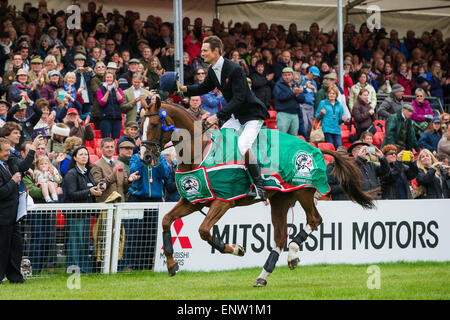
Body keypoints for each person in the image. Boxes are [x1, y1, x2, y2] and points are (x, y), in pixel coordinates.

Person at [178, 35, 270, 202]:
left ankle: (260, 188)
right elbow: (203, 87)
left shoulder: (235, 69)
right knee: (222, 141)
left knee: (242, 145)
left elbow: (239, 98)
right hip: (236, 115)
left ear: (216, 51)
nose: (202, 53)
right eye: (201, 50)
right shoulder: (213, 70)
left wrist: (217, 116)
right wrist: (183, 88)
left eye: (205, 50)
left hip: (251, 115)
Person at [64, 146, 103, 274]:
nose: (84, 156)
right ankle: (73, 269)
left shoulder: (88, 172)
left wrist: (96, 190)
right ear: (75, 157)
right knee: (75, 243)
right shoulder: (71, 174)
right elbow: (71, 193)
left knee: (84, 243)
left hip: (86, 213)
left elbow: (89, 189)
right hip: (75, 214)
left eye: (86, 154)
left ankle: (85, 269)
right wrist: (89, 192)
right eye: (81, 154)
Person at [0, 137, 25, 284]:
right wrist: (13, 182)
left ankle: (15, 276)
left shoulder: (5, 166)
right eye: (6, 151)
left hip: (13, 215)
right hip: (3, 216)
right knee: (2, 249)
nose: (9, 153)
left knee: (15, 247)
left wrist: (17, 192)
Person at [90, 138, 140, 203]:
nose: (110, 149)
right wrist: (113, 175)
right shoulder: (96, 165)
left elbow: (124, 187)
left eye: (112, 147)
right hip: (106, 204)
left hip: (120, 203)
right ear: (101, 149)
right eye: (107, 147)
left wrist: (129, 180)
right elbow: (99, 186)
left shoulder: (120, 164)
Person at [273, 67, 305, 136]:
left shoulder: (296, 84)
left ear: (292, 76)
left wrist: (297, 95)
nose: (287, 77)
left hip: (295, 114)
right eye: (285, 75)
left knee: (293, 137)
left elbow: (302, 100)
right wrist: (292, 92)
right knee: (282, 136)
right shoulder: (278, 85)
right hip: (283, 114)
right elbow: (280, 97)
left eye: (289, 75)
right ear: (282, 76)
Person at [97, 70, 124, 139]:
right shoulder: (100, 89)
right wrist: (107, 92)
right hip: (105, 118)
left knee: (116, 139)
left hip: (117, 118)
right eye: (107, 77)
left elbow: (121, 100)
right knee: (106, 139)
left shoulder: (118, 89)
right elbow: (102, 103)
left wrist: (116, 90)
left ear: (113, 78)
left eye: (110, 77)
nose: (109, 79)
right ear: (104, 78)